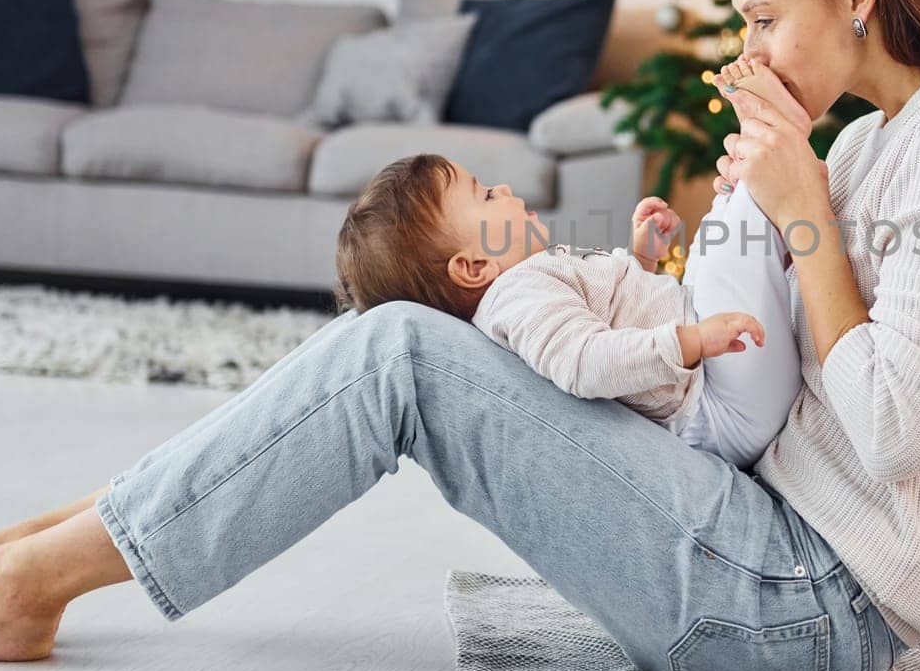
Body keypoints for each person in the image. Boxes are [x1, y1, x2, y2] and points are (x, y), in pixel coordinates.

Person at [0, 0, 920, 671]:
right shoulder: (886, 134)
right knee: (438, 339)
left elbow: (889, 432)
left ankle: (20, 584)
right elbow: (769, 344)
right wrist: (744, 230)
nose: (749, 53)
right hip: (758, 530)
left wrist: (802, 216)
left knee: (402, 350)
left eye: (762, 17)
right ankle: (33, 552)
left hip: (803, 599)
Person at [331, 151, 804, 470]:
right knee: (736, 225)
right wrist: (692, 341)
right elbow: (587, 363)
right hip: (716, 408)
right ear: (474, 266)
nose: (504, 189)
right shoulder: (517, 300)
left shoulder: (524, 284)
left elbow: (613, 313)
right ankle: (783, 173)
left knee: (722, 227)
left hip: (713, 381)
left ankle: (771, 203)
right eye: (486, 196)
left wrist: (642, 258)